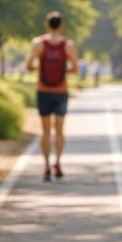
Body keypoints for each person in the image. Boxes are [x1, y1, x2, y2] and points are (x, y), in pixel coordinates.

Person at [25, 11, 78, 182]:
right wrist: (63, 70)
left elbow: (28, 65)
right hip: (61, 91)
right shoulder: (68, 45)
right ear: (61, 25)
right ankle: (58, 162)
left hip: (43, 90)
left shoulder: (38, 43)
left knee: (45, 131)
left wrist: (39, 69)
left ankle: (46, 166)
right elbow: (75, 68)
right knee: (60, 130)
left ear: (47, 25)